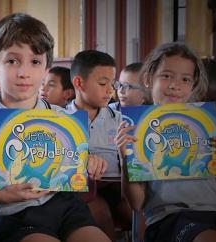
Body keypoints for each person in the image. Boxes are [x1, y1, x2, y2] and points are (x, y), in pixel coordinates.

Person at [0, 13, 111, 242]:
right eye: (12, 61)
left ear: (46, 69)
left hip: (67, 208)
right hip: (14, 216)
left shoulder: (64, 119)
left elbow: (73, 159)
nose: (24, 72)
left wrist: (90, 161)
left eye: (35, 62)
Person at [117, 42, 216, 242]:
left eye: (185, 79)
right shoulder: (135, 129)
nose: (174, 85)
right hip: (170, 218)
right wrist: (126, 158)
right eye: (166, 75)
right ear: (148, 78)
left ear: (193, 86)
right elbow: (137, 203)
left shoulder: (206, 127)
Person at [66, 50, 126, 241]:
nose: (110, 90)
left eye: (112, 83)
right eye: (102, 83)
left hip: (118, 189)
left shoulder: (121, 122)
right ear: (79, 83)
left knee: (142, 211)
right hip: (79, 191)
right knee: (99, 211)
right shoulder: (60, 120)